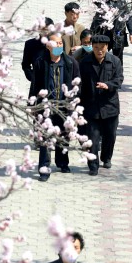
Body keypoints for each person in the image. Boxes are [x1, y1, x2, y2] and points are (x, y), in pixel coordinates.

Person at [31, 32, 80, 182]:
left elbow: (77, 84)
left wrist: (75, 104)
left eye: (60, 43)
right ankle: (44, 169)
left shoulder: (71, 63)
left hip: (64, 106)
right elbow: (34, 86)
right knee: (46, 138)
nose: (58, 46)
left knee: (63, 135)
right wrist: (33, 105)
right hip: (46, 106)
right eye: (55, 43)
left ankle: (62, 162)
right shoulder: (40, 63)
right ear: (47, 46)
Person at [79, 34, 123, 176]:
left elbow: (119, 79)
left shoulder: (115, 61)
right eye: (96, 47)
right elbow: (79, 82)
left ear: (107, 47)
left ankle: (106, 157)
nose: (99, 51)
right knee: (92, 138)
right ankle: (93, 165)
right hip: (91, 106)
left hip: (110, 106)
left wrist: (108, 85)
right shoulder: (85, 62)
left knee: (110, 136)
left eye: (102, 48)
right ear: (92, 47)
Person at [91, 0, 132, 66]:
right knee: (100, 57)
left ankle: (118, 77)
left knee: (118, 59)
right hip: (103, 33)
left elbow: (128, 16)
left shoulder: (121, 0)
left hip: (118, 34)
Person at [22, 17, 53, 89]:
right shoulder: (30, 44)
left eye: (47, 29)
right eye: (42, 29)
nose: (45, 32)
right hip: (37, 84)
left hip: (54, 81)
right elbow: (25, 65)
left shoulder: (57, 43)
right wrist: (32, 77)